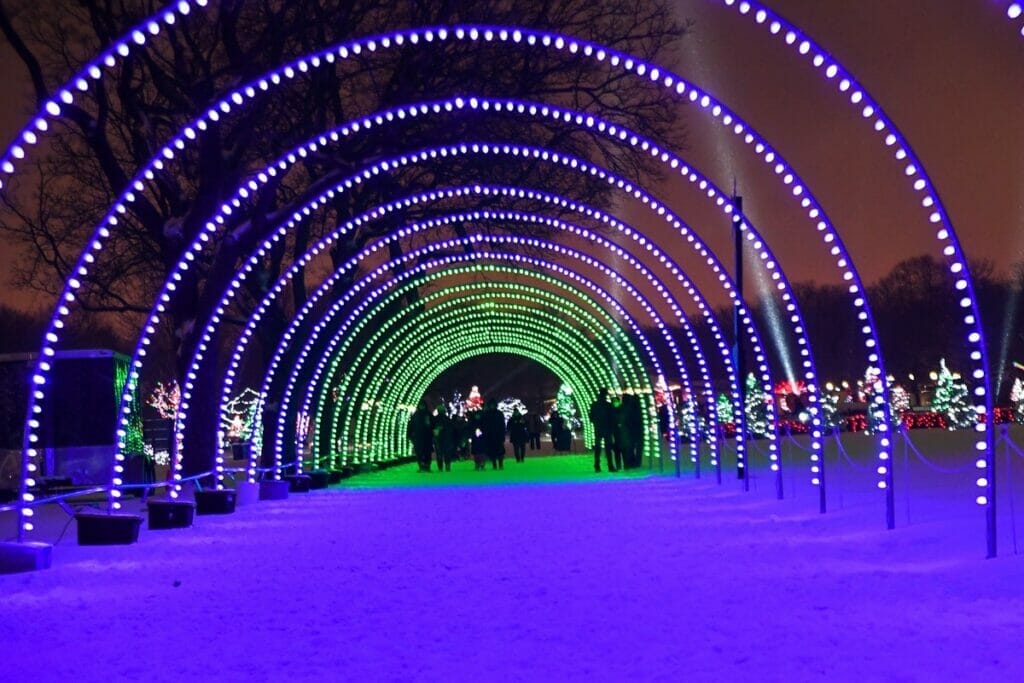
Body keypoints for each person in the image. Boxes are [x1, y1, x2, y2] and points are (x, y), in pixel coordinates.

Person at [588, 388, 617, 472]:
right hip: (607, 429)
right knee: (608, 448)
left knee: (598, 448)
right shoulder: (608, 405)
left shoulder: (594, 405)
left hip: (598, 428)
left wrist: (596, 422)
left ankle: (597, 465)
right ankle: (610, 465)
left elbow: (591, 418)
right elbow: (613, 417)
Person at [407, 400, 434, 472]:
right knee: (419, 452)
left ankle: (427, 466)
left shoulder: (428, 414)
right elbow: (411, 425)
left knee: (427, 452)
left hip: (427, 437)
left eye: (423, 405)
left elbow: (433, 424)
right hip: (418, 437)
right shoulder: (416, 415)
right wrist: (409, 434)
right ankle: (421, 466)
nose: (422, 407)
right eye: (421, 405)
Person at [480, 398, 506, 470]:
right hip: (489, 436)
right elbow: (483, 425)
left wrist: (502, 434)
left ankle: (500, 464)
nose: (492, 406)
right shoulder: (486, 414)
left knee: (500, 451)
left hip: (498, 435)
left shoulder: (499, 414)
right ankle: (494, 464)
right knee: (492, 452)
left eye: (493, 405)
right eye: (491, 405)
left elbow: (502, 425)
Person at [432, 406, 456, 472]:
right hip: (447, 438)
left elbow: (432, 428)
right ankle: (447, 465)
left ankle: (440, 467)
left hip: (438, 438)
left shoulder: (435, 419)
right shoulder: (447, 419)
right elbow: (452, 429)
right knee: (447, 453)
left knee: (439, 453)